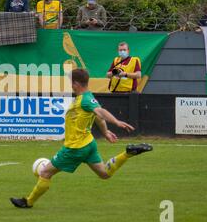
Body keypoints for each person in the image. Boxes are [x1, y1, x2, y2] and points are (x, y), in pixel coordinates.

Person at [10, 68, 152, 209]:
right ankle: (127, 153)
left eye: (71, 82)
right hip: (89, 144)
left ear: (76, 83)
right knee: (104, 173)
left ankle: (28, 202)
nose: (70, 85)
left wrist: (115, 122)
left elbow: (100, 112)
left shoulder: (85, 100)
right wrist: (106, 132)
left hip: (74, 148)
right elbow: (98, 117)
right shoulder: (86, 98)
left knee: (45, 173)